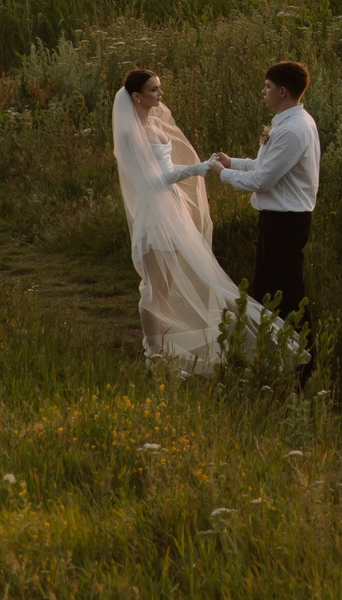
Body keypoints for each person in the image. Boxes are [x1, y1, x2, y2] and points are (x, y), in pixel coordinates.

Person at [108, 68, 240, 371]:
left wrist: (197, 167)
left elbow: (166, 164)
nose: (160, 94)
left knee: (166, 283)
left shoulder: (155, 123)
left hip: (171, 208)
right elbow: (153, 178)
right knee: (155, 286)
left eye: (160, 88)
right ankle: (153, 350)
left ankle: (163, 342)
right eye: (154, 90)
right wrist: (195, 169)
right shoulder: (130, 134)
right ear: (137, 96)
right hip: (153, 212)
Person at [210, 60, 320, 343]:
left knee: (288, 295)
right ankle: (269, 356)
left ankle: (303, 364)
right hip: (277, 219)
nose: (263, 91)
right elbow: (264, 166)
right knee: (266, 291)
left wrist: (224, 174)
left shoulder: (292, 129)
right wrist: (232, 162)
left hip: (286, 221)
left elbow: (262, 180)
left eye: (268, 86)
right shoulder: (289, 122)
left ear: (283, 91)